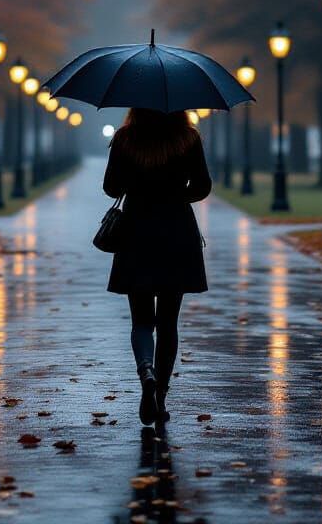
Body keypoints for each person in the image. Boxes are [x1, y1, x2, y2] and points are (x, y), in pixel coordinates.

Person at [102, 107, 212, 426]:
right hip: (176, 231)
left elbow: (111, 187)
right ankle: (160, 395)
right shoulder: (187, 138)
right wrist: (176, 193)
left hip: (136, 231)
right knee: (168, 322)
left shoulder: (125, 138)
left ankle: (146, 373)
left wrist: (136, 184)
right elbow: (202, 186)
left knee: (141, 321)